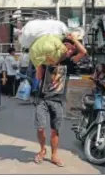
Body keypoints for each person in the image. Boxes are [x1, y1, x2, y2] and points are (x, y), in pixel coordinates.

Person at [33, 33, 87, 167]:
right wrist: (39, 64)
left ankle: (54, 155)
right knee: (40, 128)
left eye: (71, 50)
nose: (68, 51)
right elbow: (39, 77)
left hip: (57, 100)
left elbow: (84, 52)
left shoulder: (68, 63)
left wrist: (73, 39)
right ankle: (42, 150)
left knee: (54, 130)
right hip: (42, 99)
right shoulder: (46, 60)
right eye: (66, 48)